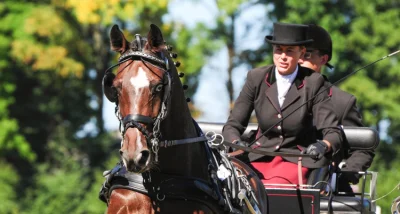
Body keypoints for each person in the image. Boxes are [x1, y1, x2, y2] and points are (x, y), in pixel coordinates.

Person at [222, 22, 343, 186]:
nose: (283, 57)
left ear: (301, 53)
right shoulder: (256, 78)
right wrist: (236, 143)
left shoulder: (314, 82)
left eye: (289, 51)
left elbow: (333, 132)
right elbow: (232, 125)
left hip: (295, 160)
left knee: (276, 187)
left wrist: (322, 145)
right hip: (257, 155)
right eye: (279, 50)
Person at [299, 24, 375, 191]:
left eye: (306, 55)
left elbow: (362, 150)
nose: (299, 59)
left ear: (323, 60)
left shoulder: (342, 101)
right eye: (295, 52)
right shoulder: (275, 94)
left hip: (322, 186)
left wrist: (343, 174)